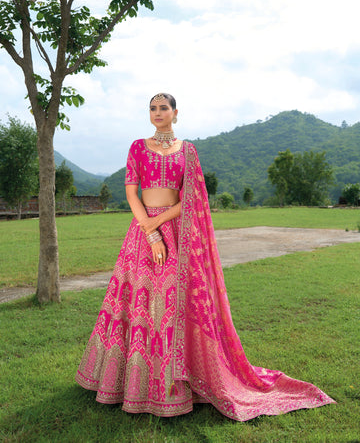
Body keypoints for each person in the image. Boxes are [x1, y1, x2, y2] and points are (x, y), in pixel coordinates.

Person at [75, 93, 335, 420]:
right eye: (153, 108)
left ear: (175, 113)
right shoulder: (138, 147)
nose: (157, 113)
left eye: (163, 107)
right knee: (139, 303)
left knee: (171, 306)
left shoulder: (187, 151)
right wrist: (151, 232)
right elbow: (131, 192)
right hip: (143, 236)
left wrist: (160, 222)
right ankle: (129, 384)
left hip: (175, 232)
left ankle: (176, 385)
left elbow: (193, 196)